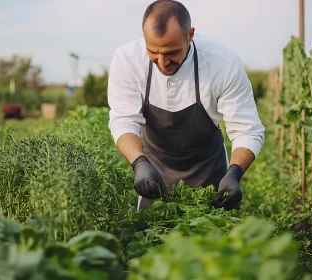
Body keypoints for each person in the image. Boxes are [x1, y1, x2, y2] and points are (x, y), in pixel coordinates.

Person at [107, 0, 265, 211]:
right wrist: (139, 163)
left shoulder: (223, 64)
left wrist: (235, 172)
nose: (162, 63)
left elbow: (247, 130)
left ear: (190, 35)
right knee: (149, 239)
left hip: (211, 178)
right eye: (153, 52)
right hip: (155, 177)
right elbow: (123, 121)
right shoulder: (127, 61)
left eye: (172, 52)